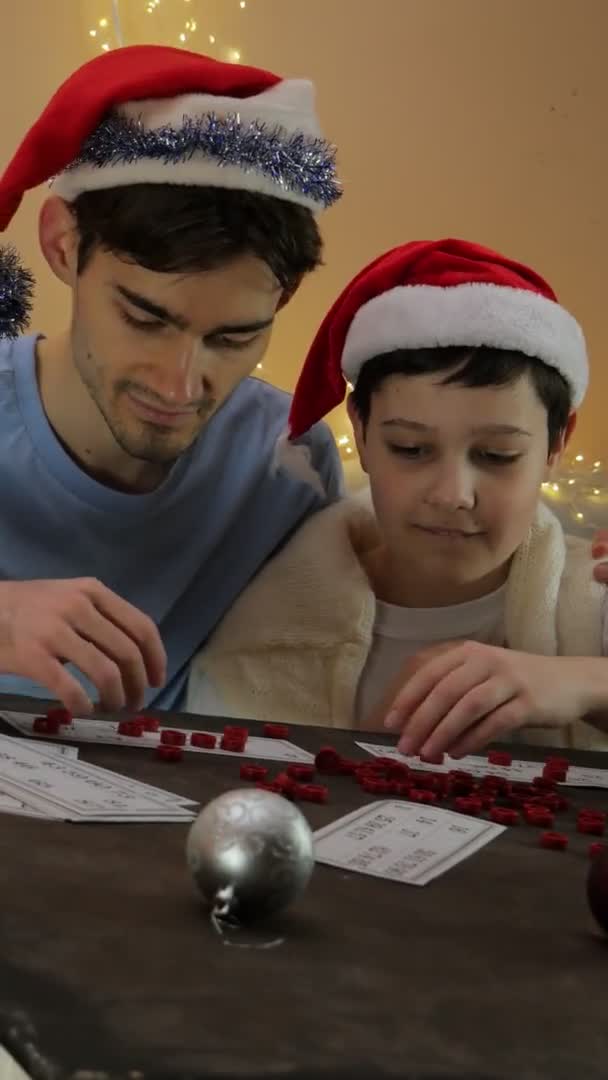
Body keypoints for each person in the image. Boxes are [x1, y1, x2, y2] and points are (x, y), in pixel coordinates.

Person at [0, 44, 343, 717]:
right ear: (63, 245)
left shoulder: (287, 464)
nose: (182, 386)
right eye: (144, 318)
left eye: (232, 338)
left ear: (286, 296)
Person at [187, 238, 608, 753]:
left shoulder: (592, 609)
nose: (454, 495)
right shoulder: (261, 626)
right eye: (410, 448)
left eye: (497, 455)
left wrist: (584, 683)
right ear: (361, 433)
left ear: (556, 443)